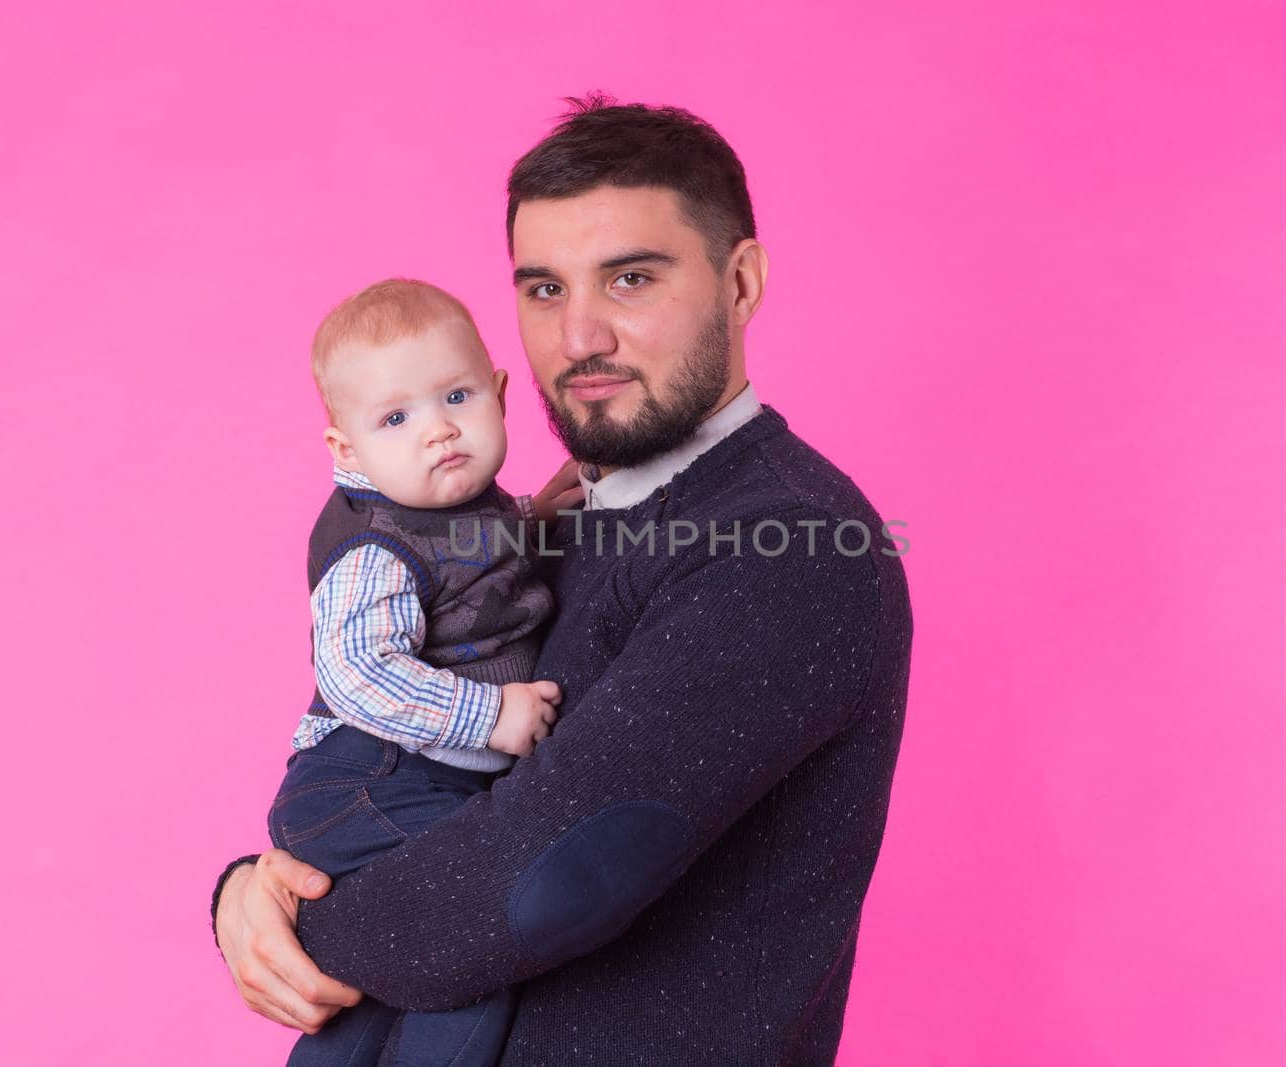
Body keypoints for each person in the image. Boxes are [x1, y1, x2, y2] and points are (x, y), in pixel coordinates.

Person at [214, 97, 914, 1066]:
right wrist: (247, 886)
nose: (580, 333)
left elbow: (537, 877)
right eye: (543, 289)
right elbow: (379, 730)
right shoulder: (535, 519)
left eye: (630, 278)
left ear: (739, 280)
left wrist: (291, 916)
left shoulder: (785, 545)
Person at [267, 278, 578, 1066]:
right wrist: (488, 717)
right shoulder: (376, 543)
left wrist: (535, 521)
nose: (438, 430)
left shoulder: (461, 503)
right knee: (476, 924)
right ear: (347, 449)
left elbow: (477, 574)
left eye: (457, 396)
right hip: (365, 778)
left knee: (370, 977)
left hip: (414, 780)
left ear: (501, 394)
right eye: (396, 418)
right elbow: (357, 672)